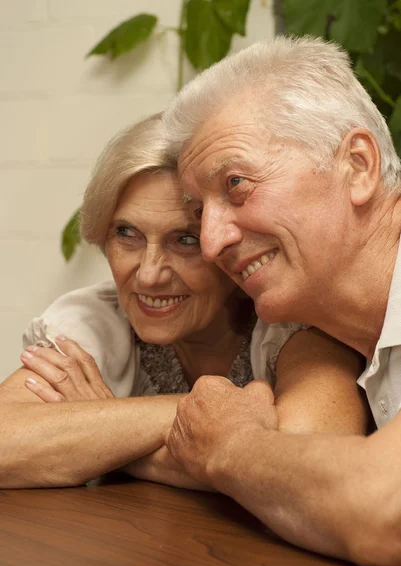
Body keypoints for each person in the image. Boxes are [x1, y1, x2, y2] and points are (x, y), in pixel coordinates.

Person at [0, 113, 367, 490]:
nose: (148, 274)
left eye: (185, 240)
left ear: (229, 242)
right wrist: (203, 420)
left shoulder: (289, 319)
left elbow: (308, 467)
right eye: (126, 233)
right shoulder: (97, 319)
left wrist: (107, 434)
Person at [161, 35, 401, 566]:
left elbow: (384, 508)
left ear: (358, 167)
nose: (209, 241)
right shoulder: (341, 334)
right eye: (198, 209)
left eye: (237, 184)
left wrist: (226, 444)